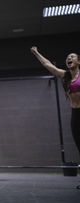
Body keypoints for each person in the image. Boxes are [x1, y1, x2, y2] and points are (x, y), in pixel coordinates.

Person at [30, 47, 80, 189]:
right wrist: (37, 53)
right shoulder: (66, 76)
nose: (69, 58)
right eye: (68, 57)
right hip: (75, 115)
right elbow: (48, 65)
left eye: (72, 56)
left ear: (79, 62)